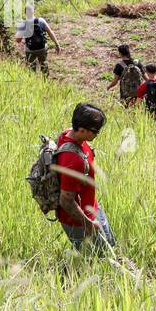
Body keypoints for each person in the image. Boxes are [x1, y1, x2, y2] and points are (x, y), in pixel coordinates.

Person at [55, 103, 116, 255]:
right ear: (81, 130)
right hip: (79, 221)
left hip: (92, 208)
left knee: (110, 246)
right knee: (94, 258)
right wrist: (88, 224)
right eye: (95, 131)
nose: (97, 134)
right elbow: (66, 201)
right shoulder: (73, 161)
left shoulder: (68, 133)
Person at [15, 5, 60, 75]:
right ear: (33, 11)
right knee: (44, 65)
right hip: (42, 48)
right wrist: (57, 45)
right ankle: (46, 82)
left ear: (25, 13)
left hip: (30, 50)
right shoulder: (41, 20)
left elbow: (18, 40)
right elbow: (50, 32)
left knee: (31, 69)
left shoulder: (23, 24)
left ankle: (33, 82)